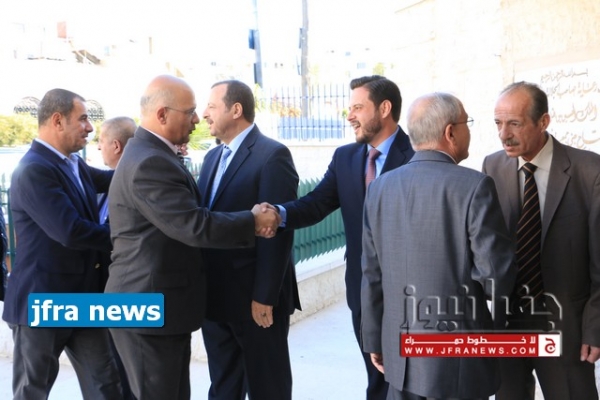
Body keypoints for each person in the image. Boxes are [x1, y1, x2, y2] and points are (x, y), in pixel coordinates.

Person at [104, 74, 281, 400]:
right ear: (162, 114)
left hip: (160, 307)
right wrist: (253, 221)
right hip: (148, 307)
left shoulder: (153, 153)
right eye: (190, 112)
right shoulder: (150, 161)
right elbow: (193, 225)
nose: (198, 119)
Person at [361, 92, 516, 400]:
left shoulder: (379, 188)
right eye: (467, 123)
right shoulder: (475, 187)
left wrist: (374, 340)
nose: (469, 130)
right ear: (450, 132)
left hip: (400, 357)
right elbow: (495, 280)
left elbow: (371, 274)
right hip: (456, 364)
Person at [278, 75, 414, 400]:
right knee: (376, 379)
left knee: (411, 382)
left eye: (357, 107)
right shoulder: (346, 158)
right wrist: (276, 215)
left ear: (384, 108)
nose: (349, 115)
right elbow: (316, 204)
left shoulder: (417, 154)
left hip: (410, 293)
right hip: (362, 289)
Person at [482, 81, 600, 400]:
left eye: (514, 123)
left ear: (543, 121)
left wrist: (595, 326)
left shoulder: (590, 171)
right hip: (508, 322)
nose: (504, 134)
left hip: (566, 327)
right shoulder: (492, 166)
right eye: (498, 123)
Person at [2, 88, 122, 399]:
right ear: (57, 121)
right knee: (33, 391)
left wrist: (148, 159)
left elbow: (112, 180)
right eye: (82, 119)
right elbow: (70, 231)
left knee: (107, 386)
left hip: (83, 300)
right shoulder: (34, 170)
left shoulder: (72, 163)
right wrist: (127, 237)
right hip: (43, 302)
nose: (90, 127)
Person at [196, 80, 300, 400]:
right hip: (216, 300)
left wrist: (264, 296)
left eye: (211, 106)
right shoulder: (212, 158)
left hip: (255, 302)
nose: (204, 114)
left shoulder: (272, 155)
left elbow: (277, 233)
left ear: (236, 110)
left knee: (268, 387)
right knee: (223, 387)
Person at [96, 116, 137, 400]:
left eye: (101, 141)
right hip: (107, 297)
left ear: (115, 145)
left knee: (132, 377)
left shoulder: (134, 182)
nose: (98, 147)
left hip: (130, 295)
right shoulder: (107, 181)